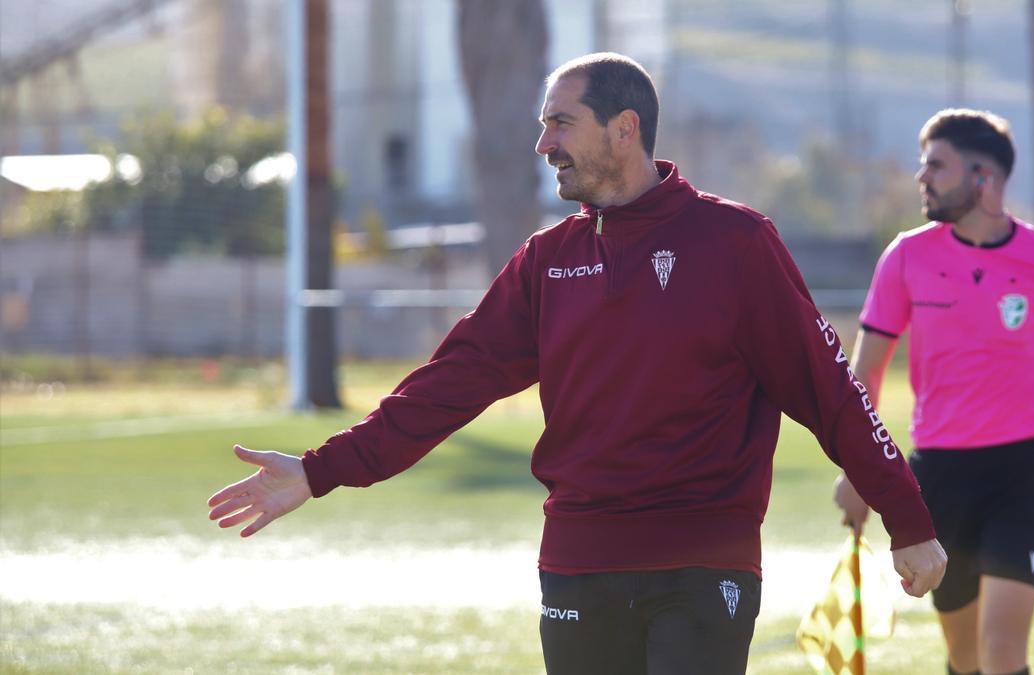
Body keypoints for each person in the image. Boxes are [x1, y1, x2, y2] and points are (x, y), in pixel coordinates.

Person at [208, 52, 946, 675]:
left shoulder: (736, 243)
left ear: (624, 130)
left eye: (560, 123)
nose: (543, 143)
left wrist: (907, 517)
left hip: (704, 558)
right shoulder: (547, 260)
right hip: (578, 560)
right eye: (542, 125)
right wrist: (319, 468)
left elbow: (830, 391)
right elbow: (445, 387)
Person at [833, 108, 1034, 675]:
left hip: (1025, 470)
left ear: (982, 177)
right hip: (938, 473)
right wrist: (860, 472)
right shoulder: (906, 256)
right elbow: (867, 372)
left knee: (1003, 651)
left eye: (936, 165)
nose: (922, 177)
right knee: (965, 657)